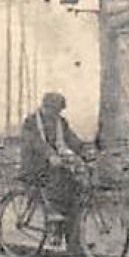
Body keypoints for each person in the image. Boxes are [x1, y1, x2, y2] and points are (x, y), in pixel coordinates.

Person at [20, 91, 87, 223]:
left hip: (55, 162)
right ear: (45, 107)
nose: (56, 114)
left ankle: (70, 233)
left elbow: (70, 138)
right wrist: (50, 154)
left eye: (58, 111)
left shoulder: (60, 122)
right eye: (54, 110)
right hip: (34, 164)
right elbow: (35, 142)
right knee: (56, 177)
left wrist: (84, 151)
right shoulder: (31, 122)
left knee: (75, 183)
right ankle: (53, 214)